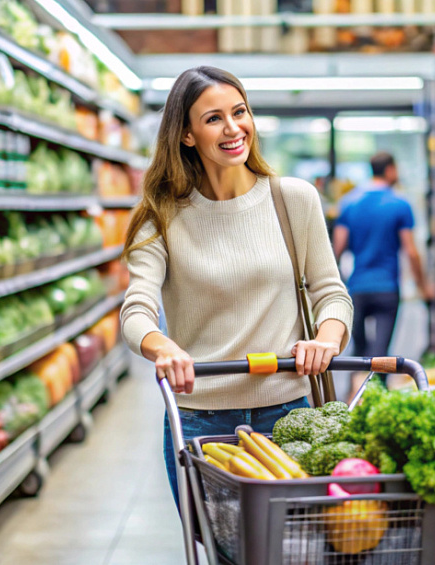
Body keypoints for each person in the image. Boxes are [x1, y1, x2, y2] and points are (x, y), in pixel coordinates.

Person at [119, 66, 353, 505]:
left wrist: (325, 338)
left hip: (288, 412)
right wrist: (162, 347)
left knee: (294, 538)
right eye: (214, 118)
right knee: (219, 539)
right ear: (186, 134)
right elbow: (137, 310)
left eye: (239, 112)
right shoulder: (161, 217)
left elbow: (331, 292)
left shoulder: (293, 199)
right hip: (201, 419)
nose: (233, 128)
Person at [332, 152, 432, 401]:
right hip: (387, 288)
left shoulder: (349, 202)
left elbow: (336, 250)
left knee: (358, 351)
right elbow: (411, 251)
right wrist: (423, 285)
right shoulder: (400, 203)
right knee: (381, 354)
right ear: (390, 170)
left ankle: (350, 401)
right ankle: (374, 401)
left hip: (356, 288)